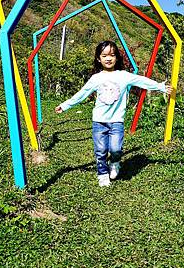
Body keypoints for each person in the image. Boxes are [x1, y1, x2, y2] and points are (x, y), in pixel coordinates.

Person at [55, 40, 172, 187]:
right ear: (99, 58)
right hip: (99, 121)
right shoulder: (96, 78)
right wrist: (65, 105)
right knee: (100, 150)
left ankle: (115, 162)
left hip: (117, 121)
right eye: (104, 55)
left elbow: (142, 81)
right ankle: (102, 174)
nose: (108, 58)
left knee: (116, 149)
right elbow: (82, 93)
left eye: (112, 55)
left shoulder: (123, 76)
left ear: (117, 57)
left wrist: (160, 86)